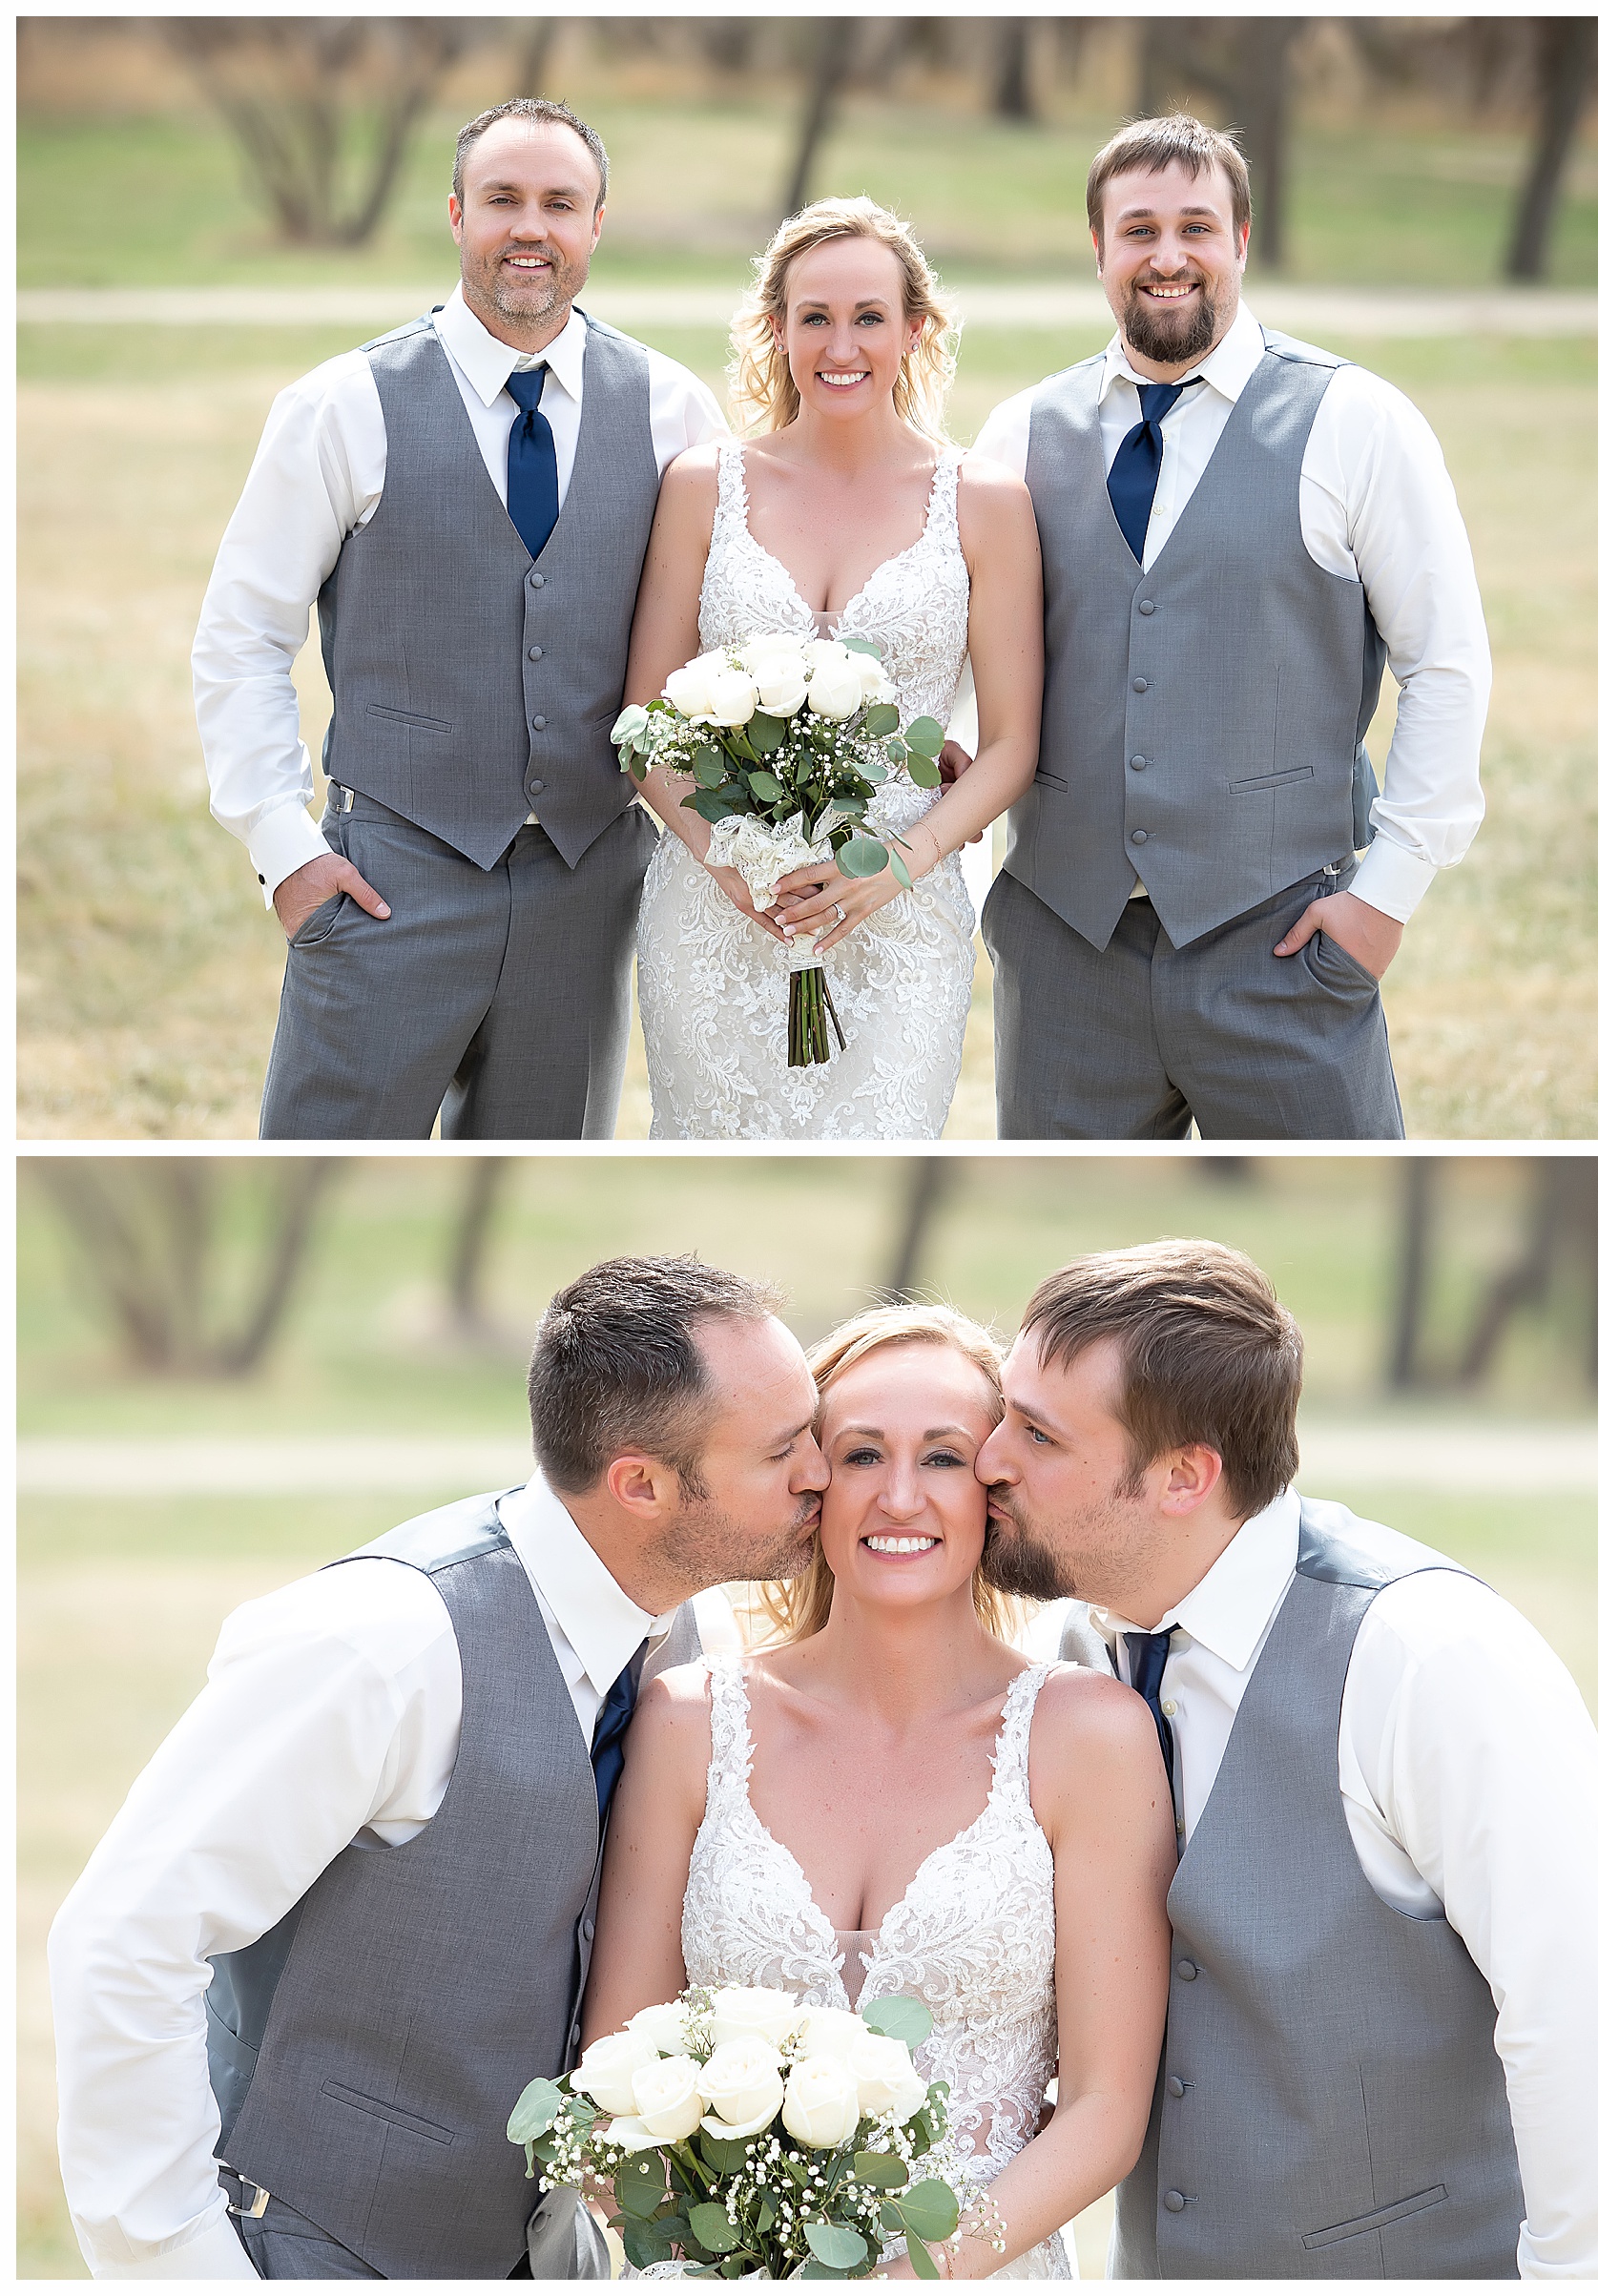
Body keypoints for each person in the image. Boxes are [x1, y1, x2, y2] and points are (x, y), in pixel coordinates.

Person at [48, 1257, 828, 2280]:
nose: (824, 1470)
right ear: (641, 1483)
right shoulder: (383, 1643)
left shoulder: (697, 1640)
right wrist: (180, 2264)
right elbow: (125, 1938)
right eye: (783, 1452)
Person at [977, 1240, 1598, 2278]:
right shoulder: (1081, 1654)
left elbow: (1584, 2018)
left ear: (1183, 1477)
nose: (991, 1455)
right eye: (1006, 1409)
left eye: (1037, 1434)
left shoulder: (1425, 1656)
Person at [560, 1305, 1173, 2276]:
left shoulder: (1088, 1736)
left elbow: (1104, 2112)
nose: (898, 1497)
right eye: (858, 1455)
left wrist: (901, 2280)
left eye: (942, 1458)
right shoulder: (689, 1723)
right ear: (810, 1483)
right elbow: (614, 2074)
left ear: (995, 1487)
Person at [192, 99, 727, 1139]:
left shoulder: (670, 408)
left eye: (559, 204)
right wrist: (284, 849)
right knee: (322, 1163)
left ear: (596, 227)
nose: (531, 228)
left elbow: (722, 635)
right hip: (391, 877)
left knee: (547, 1165)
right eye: (503, 201)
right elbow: (244, 634)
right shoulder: (342, 404)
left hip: (587, 885)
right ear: (455, 215)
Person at [970, 116, 1491, 1139]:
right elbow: (975, 652)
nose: (1168, 258)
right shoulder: (1022, 430)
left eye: (1197, 228)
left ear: (1242, 240)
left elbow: (1448, 664)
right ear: (1100, 250)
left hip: (1286, 946)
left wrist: (1382, 901)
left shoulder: (1355, 419)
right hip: (1066, 958)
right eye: (1139, 231)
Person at [624, 199, 1044, 1139]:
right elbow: (642, 719)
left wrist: (896, 865)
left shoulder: (984, 502)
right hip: (719, 905)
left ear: (914, 331)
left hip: (897, 908)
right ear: (776, 330)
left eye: (868, 317)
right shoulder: (703, 486)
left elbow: (1013, 745)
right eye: (814, 316)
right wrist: (731, 861)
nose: (840, 344)